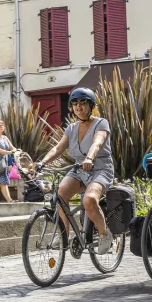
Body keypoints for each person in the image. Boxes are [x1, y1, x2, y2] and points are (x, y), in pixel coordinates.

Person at [36, 88, 115, 254]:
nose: (78, 106)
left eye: (83, 102)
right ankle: (64, 234)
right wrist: (41, 163)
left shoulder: (101, 123)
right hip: (80, 169)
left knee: (89, 200)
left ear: (91, 105)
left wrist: (89, 158)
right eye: (74, 103)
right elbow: (58, 148)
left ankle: (104, 234)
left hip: (100, 169)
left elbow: (97, 142)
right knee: (60, 194)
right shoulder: (71, 129)